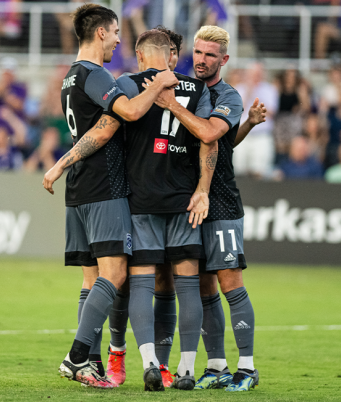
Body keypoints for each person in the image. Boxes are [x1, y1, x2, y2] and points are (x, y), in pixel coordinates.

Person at [41, 4, 179, 389]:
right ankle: (76, 356)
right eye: (116, 32)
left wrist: (60, 165)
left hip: (80, 189)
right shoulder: (94, 74)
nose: (119, 39)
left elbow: (95, 129)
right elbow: (126, 116)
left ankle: (92, 364)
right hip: (105, 186)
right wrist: (158, 83)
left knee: (91, 281)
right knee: (114, 274)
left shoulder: (70, 76)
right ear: (101, 32)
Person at [153, 25, 263, 392]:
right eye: (198, 53)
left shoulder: (228, 95)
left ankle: (247, 368)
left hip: (221, 202)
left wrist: (171, 106)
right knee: (203, 287)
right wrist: (247, 125)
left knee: (230, 282)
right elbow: (225, 140)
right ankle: (216, 365)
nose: (201, 60)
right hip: (188, 200)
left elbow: (212, 134)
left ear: (224, 60)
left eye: (210, 55)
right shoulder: (188, 89)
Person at [115, 29, 217, 392]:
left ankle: (149, 364)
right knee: (187, 286)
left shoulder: (128, 84)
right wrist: (202, 190)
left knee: (141, 283)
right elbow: (209, 140)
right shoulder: (198, 89)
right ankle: (187, 370)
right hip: (183, 202)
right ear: (171, 56)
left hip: (141, 201)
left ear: (141, 57)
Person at [233, 62, 278, 179]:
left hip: (262, 135)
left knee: (261, 170)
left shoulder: (270, 89)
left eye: (258, 73)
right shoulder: (239, 89)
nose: (256, 76)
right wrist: (249, 91)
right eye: (253, 73)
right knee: (239, 169)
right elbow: (237, 110)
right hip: (242, 135)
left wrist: (257, 94)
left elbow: (272, 112)